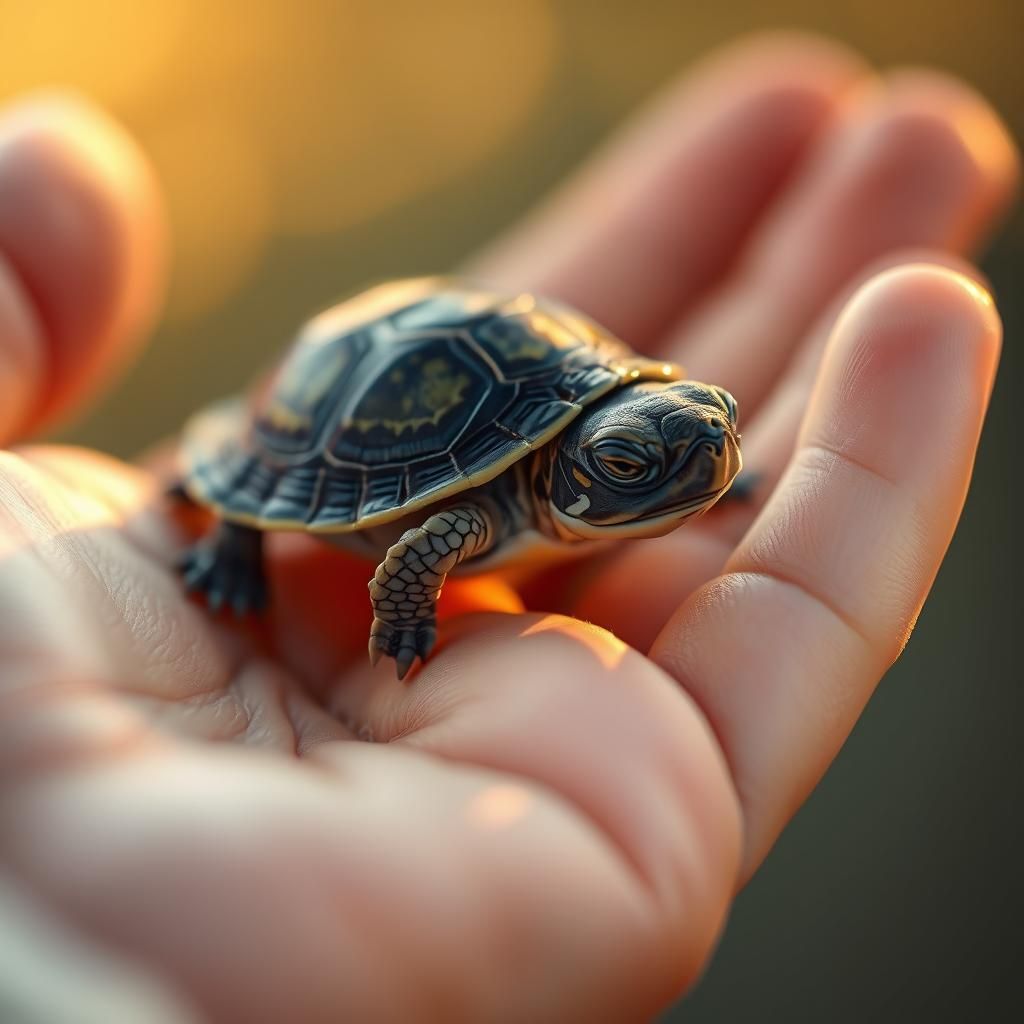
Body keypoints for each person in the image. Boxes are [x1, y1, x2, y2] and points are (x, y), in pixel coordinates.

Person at [0, 31, 1017, 1023]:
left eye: (715, 433)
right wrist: (404, 611)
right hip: (334, 424)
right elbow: (419, 544)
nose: (692, 459)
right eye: (627, 466)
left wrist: (700, 467)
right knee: (253, 527)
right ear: (570, 472)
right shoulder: (477, 508)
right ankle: (229, 534)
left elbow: (664, 433)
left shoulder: (637, 424)